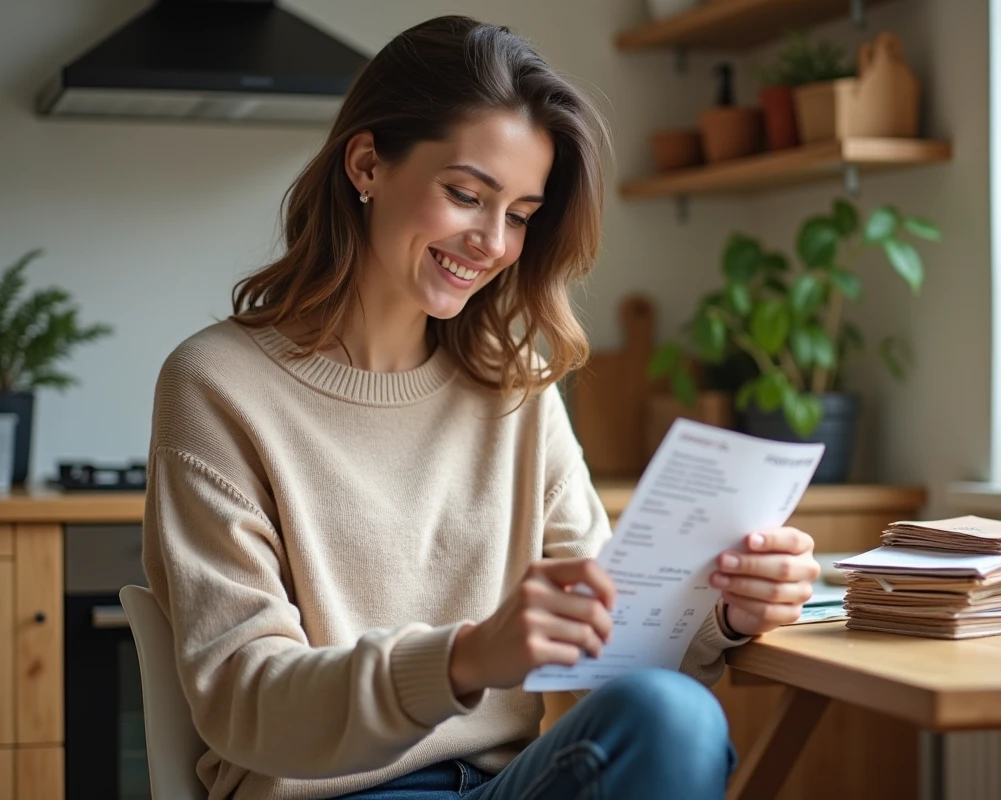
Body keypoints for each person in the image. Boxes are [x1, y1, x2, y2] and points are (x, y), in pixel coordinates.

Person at [142, 14, 820, 800]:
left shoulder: (514, 387)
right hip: (338, 794)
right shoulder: (216, 385)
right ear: (366, 163)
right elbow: (244, 700)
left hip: (512, 783)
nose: (492, 243)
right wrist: (464, 659)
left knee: (671, 716)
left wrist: (727, 611)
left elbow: (619, 644)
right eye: (467, 195)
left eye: (522, 215)